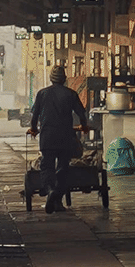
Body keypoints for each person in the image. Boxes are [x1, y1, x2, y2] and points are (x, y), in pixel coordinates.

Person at [28, 64, 89, 213]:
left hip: (48, 136)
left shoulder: (42, 94)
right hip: (65, 137)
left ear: (51, 79)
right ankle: (58, 200)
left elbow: (34, 115)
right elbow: (82, 113)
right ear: (64, 79)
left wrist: (34, 129)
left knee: (47, 166)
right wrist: (84, 126)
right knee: (63, 168)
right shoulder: (71, 94)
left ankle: (50, 191)